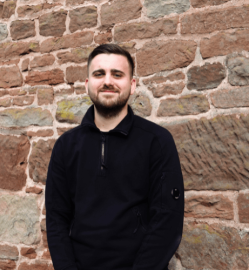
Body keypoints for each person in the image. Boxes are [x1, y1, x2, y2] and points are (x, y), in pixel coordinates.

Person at [45, 44, 184, 270]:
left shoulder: (157, 141)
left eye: (117, 74)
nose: (108, 81)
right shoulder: (66, 146)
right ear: (87, 84)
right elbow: (56, 220)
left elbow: (167, 222)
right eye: (99, 74)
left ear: (132, 84)